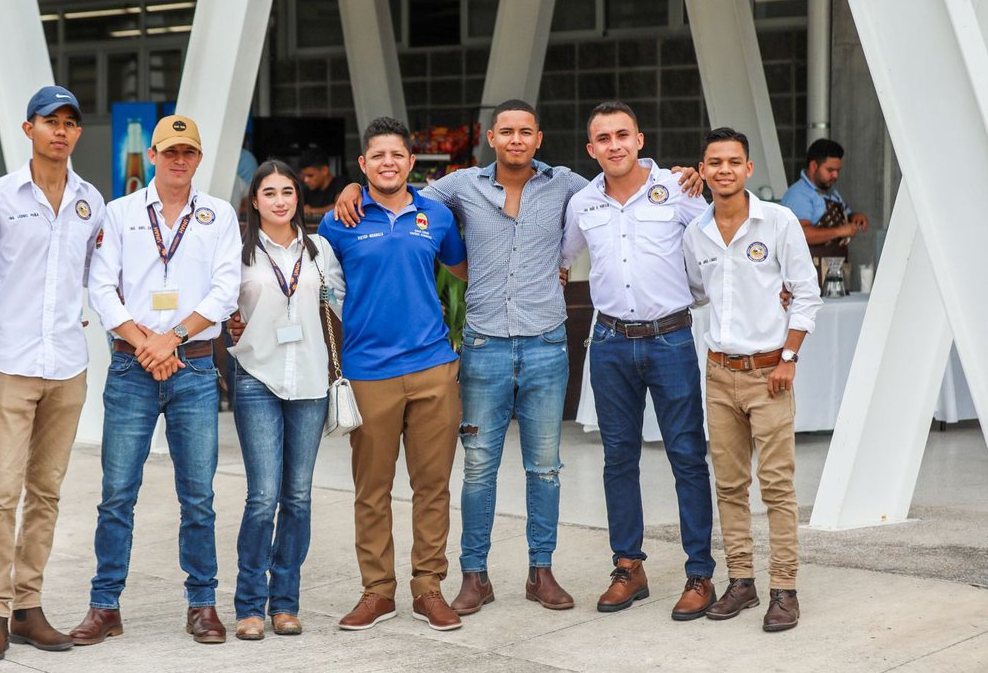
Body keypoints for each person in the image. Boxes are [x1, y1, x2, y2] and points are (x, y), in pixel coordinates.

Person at [332, 102, 705, 617]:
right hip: (484, 344)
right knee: (479, 468)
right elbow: (398, 192)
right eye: (505, 131)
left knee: (545, 467)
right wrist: (352, 188)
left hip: (546, 344)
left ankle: (541, 571)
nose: (514, 139)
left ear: (539, 138)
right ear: (491, 137)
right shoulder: (459, 187)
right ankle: (474, 576)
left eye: (524, 132)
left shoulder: (571, 185)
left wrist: (682, 175)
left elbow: (626, 181)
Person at [70, 115, 240, 647]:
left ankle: (203, 604)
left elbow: (226, 289)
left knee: (199, 495)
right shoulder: (119, 214)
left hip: (191, 364)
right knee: (117, 493)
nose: (179, 160)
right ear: (153, 156)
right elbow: (101, 287)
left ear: (198, 157)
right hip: (131, 366)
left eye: (188, 152)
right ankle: (105, 606)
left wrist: (171, 338)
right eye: (170, 152)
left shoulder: (219, 215)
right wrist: (145, 342)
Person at [0, 86, 106, 661]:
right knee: (0, 494)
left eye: (71, 122)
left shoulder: (90, 201)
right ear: (29, 130)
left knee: (45, 492)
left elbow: (100, 273)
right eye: (51, 121)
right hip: (11, 364)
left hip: (68, 365)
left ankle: (28, 607)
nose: (61, 131)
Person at [561, 101, 717, 620]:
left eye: (622, 135)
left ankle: (700, 573)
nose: (614, 145)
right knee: (618, 460)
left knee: (687, 457)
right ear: (591, 149)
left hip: (670, 340)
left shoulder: (680, 190)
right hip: (608, 343)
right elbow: (560, 260)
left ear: (640, 139)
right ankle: (629, 566)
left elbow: (727, 240)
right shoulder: (583, 202)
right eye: (603, 139)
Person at [318, 116, 469, 632]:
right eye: (377, 156)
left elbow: (464, 270)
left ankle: (429, 588)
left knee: (433, 486)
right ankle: (377, 591)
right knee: (372, 490)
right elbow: (319, 291)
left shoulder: (437, 216)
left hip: (431, 368)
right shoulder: (339, 220)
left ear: (410, 162)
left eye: (397, 155)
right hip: (368, 372)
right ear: (364, 164)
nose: (388, 162)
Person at [683, 128, 820, 632]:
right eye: (714, 162)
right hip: (719, 373)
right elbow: (698, 292)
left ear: (748, 169)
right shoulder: (695, 231)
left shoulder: (779, 222)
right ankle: (741, 580)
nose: (723, 170)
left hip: (770, 374)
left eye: (733, 162)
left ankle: (785, 589)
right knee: (730, 484)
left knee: (777, 486)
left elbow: (806, 293)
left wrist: (788, 358)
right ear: (703, 169)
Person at [225, 160, 344, 640]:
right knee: (262, 497)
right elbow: (220, 307)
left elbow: (338, 302)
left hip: (311, 380)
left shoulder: (320, 250)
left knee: (297, 496)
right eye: (269, 192)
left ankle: (286, 603)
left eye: (288, 191)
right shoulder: (239, 253)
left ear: (299, 197)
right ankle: (250, 605)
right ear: (255, 201)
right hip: (257, 376)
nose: (280, 200)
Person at [780, 138, 869, 261]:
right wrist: (840, 231)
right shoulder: (798, 194)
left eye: (838, 170)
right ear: (813, 166)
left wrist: (854, 216)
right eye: (830, 170)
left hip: (834, 268)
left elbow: (846, 214)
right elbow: (801, 234)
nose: (835, 175)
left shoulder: (832, 192)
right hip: (808, 271)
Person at [300, 148, 350, 221]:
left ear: (324, 170)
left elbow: (340, 206)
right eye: (304, 176)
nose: (306, 180)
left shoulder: (341, 183)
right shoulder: (306, 191)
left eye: (310, 175)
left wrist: (312, 211)